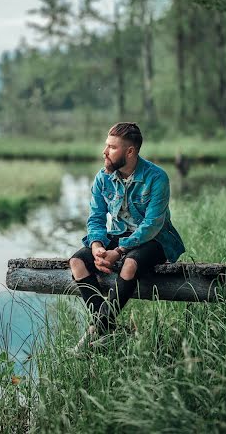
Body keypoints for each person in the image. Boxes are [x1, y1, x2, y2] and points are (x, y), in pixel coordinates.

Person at [69, 122, 185, 350]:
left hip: (156, 239)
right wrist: (96, 245)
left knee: (130, 264)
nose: (104, 152)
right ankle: (107, 328)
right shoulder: (103, 178)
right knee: (77, 262)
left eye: (111, 147)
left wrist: (119, 251)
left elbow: (152, 225)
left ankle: (94, 331)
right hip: (120, 234)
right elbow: (96, 218)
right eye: (106, 145)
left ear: (130, 151)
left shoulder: (156, 178)